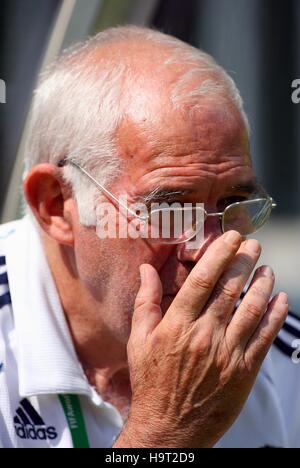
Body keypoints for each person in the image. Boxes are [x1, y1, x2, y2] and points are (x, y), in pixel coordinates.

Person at [0, 26, 295, 448]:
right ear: (56, 205)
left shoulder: (285, 363)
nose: (210, 247)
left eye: (234, 204)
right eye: (169, 210)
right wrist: (165, 435)